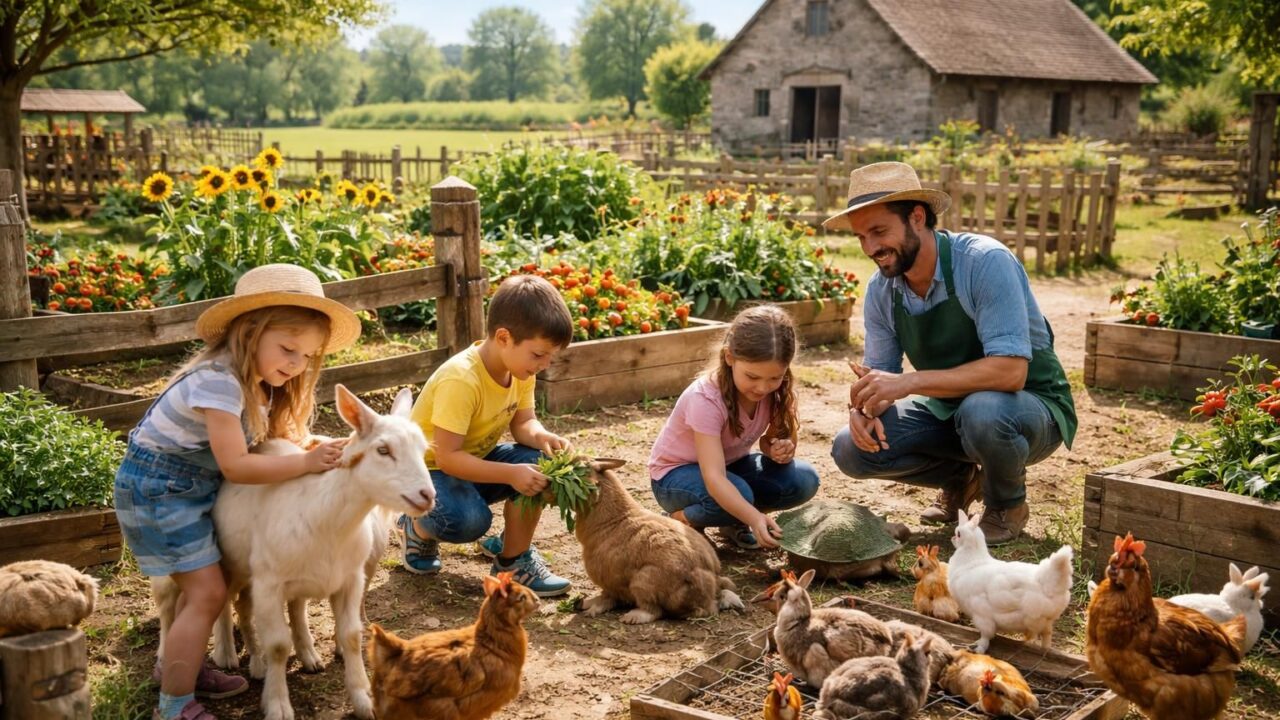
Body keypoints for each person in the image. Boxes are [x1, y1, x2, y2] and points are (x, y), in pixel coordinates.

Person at [114, 264, 362, 720]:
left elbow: (280, 438)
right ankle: (174, 706)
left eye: (306, 356)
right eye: (288, 349)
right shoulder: (217, 382)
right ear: (249, 332)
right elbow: (237, 465)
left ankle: (180, 666)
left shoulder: (257, 384)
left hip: (186, 488)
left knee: (203, 587)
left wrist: (321, 445)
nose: (295, 363)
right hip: (158, 490)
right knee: (208, 592)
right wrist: (306, 463)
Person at [825, 162, 1076, 545]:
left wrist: (910, 382)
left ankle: (1006, 504)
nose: (871, 248)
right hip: (951, 410)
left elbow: (1011, 373)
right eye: (861, 237)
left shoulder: (984, 262)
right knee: (850, 449)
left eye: (879, 231)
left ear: (918, 217)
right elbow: (878, 376)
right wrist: (864, 410)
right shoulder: (882, 291)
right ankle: (960, 479)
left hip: (1029, 409)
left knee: (984, 411)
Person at [397, 274, 575, 597]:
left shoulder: (519, 370)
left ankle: (512, 559)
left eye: (551, 356)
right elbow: (448, 457)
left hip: (471, 462)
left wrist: (543, 437)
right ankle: (416, 525)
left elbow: (524, 423)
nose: (545, 364)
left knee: (541, 465)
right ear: (504, 337)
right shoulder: (462, 379)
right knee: (468, 521)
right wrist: (510, 473)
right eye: (538, 355)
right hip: (429, 471)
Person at [649, 305, 821, 549]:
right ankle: (679, 519)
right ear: (730, 357)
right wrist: (754, 518)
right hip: (673, 477)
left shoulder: (776, 392)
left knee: (802, 479)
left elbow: (768, 442)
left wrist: (777, 449)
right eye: (752, 377)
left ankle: (730, 518)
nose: (762, 388)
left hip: (729, 466)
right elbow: (714, 477)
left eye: (774, 377)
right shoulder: (706, 399)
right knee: (740, 495)